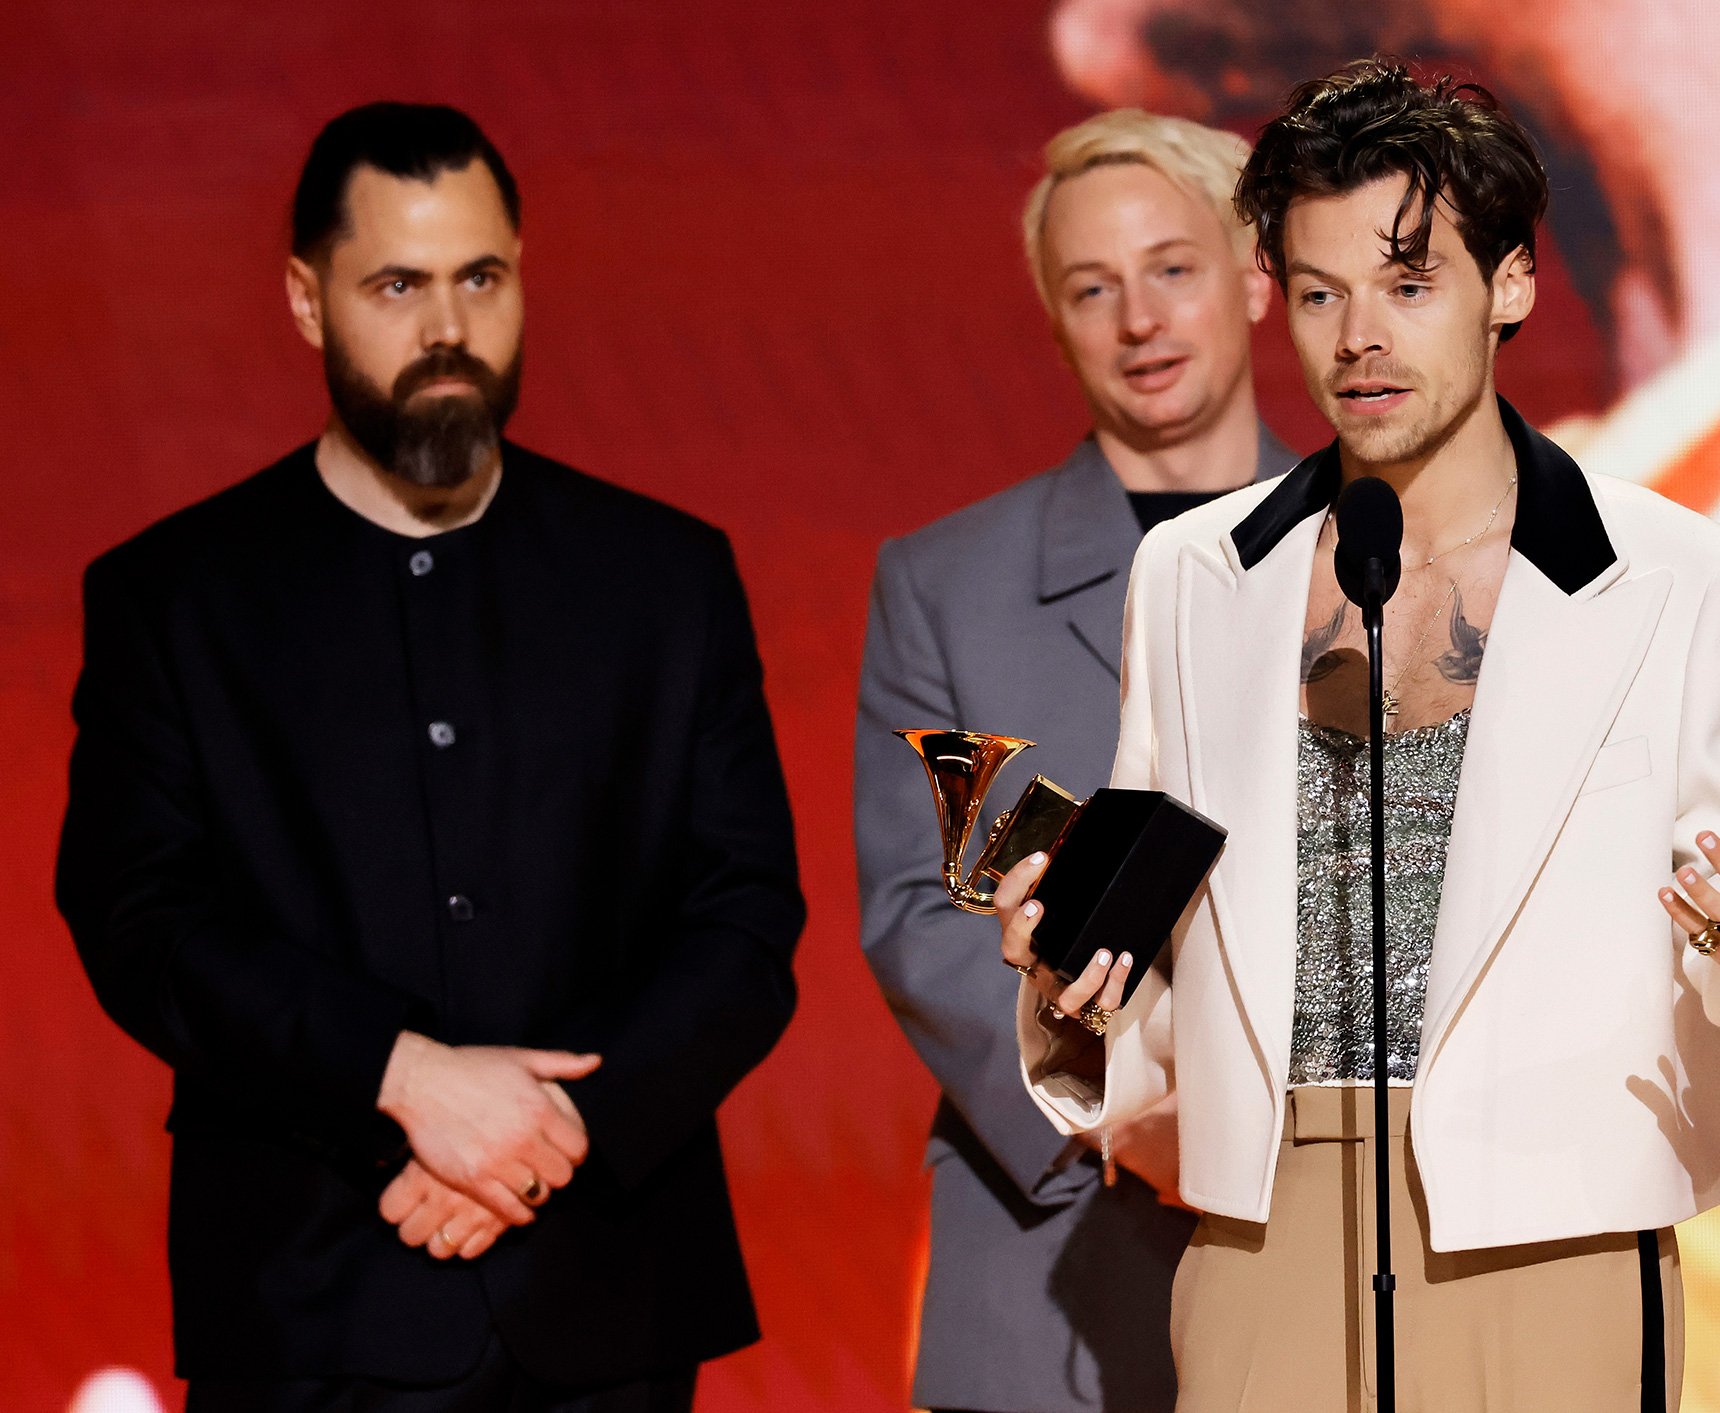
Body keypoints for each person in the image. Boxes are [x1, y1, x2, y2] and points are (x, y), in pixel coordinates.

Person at [997, 63, 1720, 1410]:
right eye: (1318, 290)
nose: (1360, 336)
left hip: (1554, 1235)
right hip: (1263, 1225)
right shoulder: (1194, 577)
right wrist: (1074, 972)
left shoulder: (1683, 580)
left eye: (1409, 285)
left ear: (1511, 285)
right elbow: (1158, 929)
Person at [55, 102, 804, 1413]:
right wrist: (398, 1075)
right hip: (307, 1293)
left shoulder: (666, 577)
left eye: (480, 278)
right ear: (307, 297)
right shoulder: (174, 597)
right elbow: (139, 919)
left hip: (609, 1288)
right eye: (397, 284)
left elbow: (745, 916)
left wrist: (545, 1129)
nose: (446, 328)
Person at [854, 110, 1297, 1413]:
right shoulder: (944, 584)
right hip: (1052, 1259)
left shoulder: (1386, 557)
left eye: (1172, 268)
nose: (1138, 320)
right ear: (1054, 324)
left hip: (1324, 1244)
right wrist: (1129, 1122)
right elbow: (917, 918)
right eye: (1091, 289)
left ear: (1257, 279)